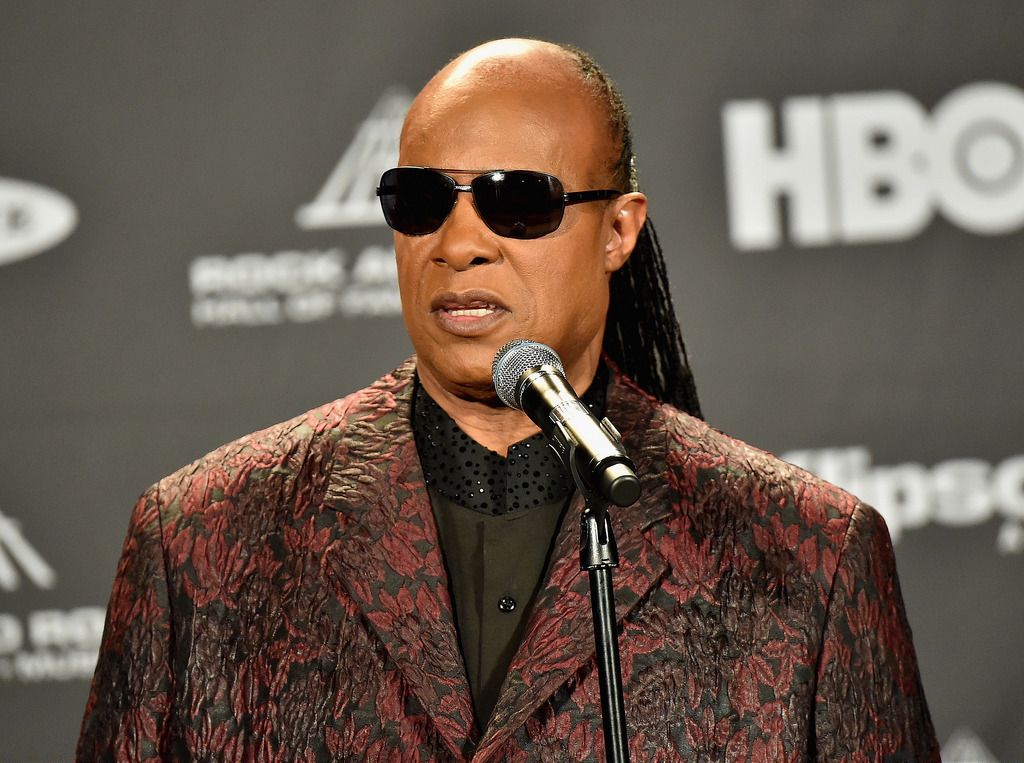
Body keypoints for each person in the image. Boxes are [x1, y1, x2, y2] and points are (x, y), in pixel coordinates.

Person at [78, 38, 938, 761]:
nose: (457, 244)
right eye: (421, 201)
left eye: (516, 201)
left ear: (619, 230)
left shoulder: (807, 558)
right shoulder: (200, 539)